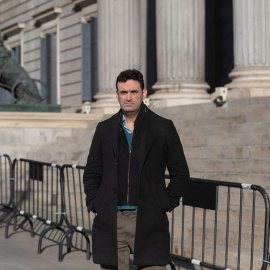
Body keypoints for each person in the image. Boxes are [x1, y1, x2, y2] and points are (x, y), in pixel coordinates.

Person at [83, 69, 190, 270]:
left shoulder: (163, 127)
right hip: (112, 220)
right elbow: (91, 173)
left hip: (149, 219)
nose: (128, 97)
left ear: (144, 93)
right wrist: (96, 202)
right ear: (117, 95)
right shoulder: (104, 129)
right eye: (123, 92)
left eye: (133, 92)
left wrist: (164, 203)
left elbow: (181, 174)